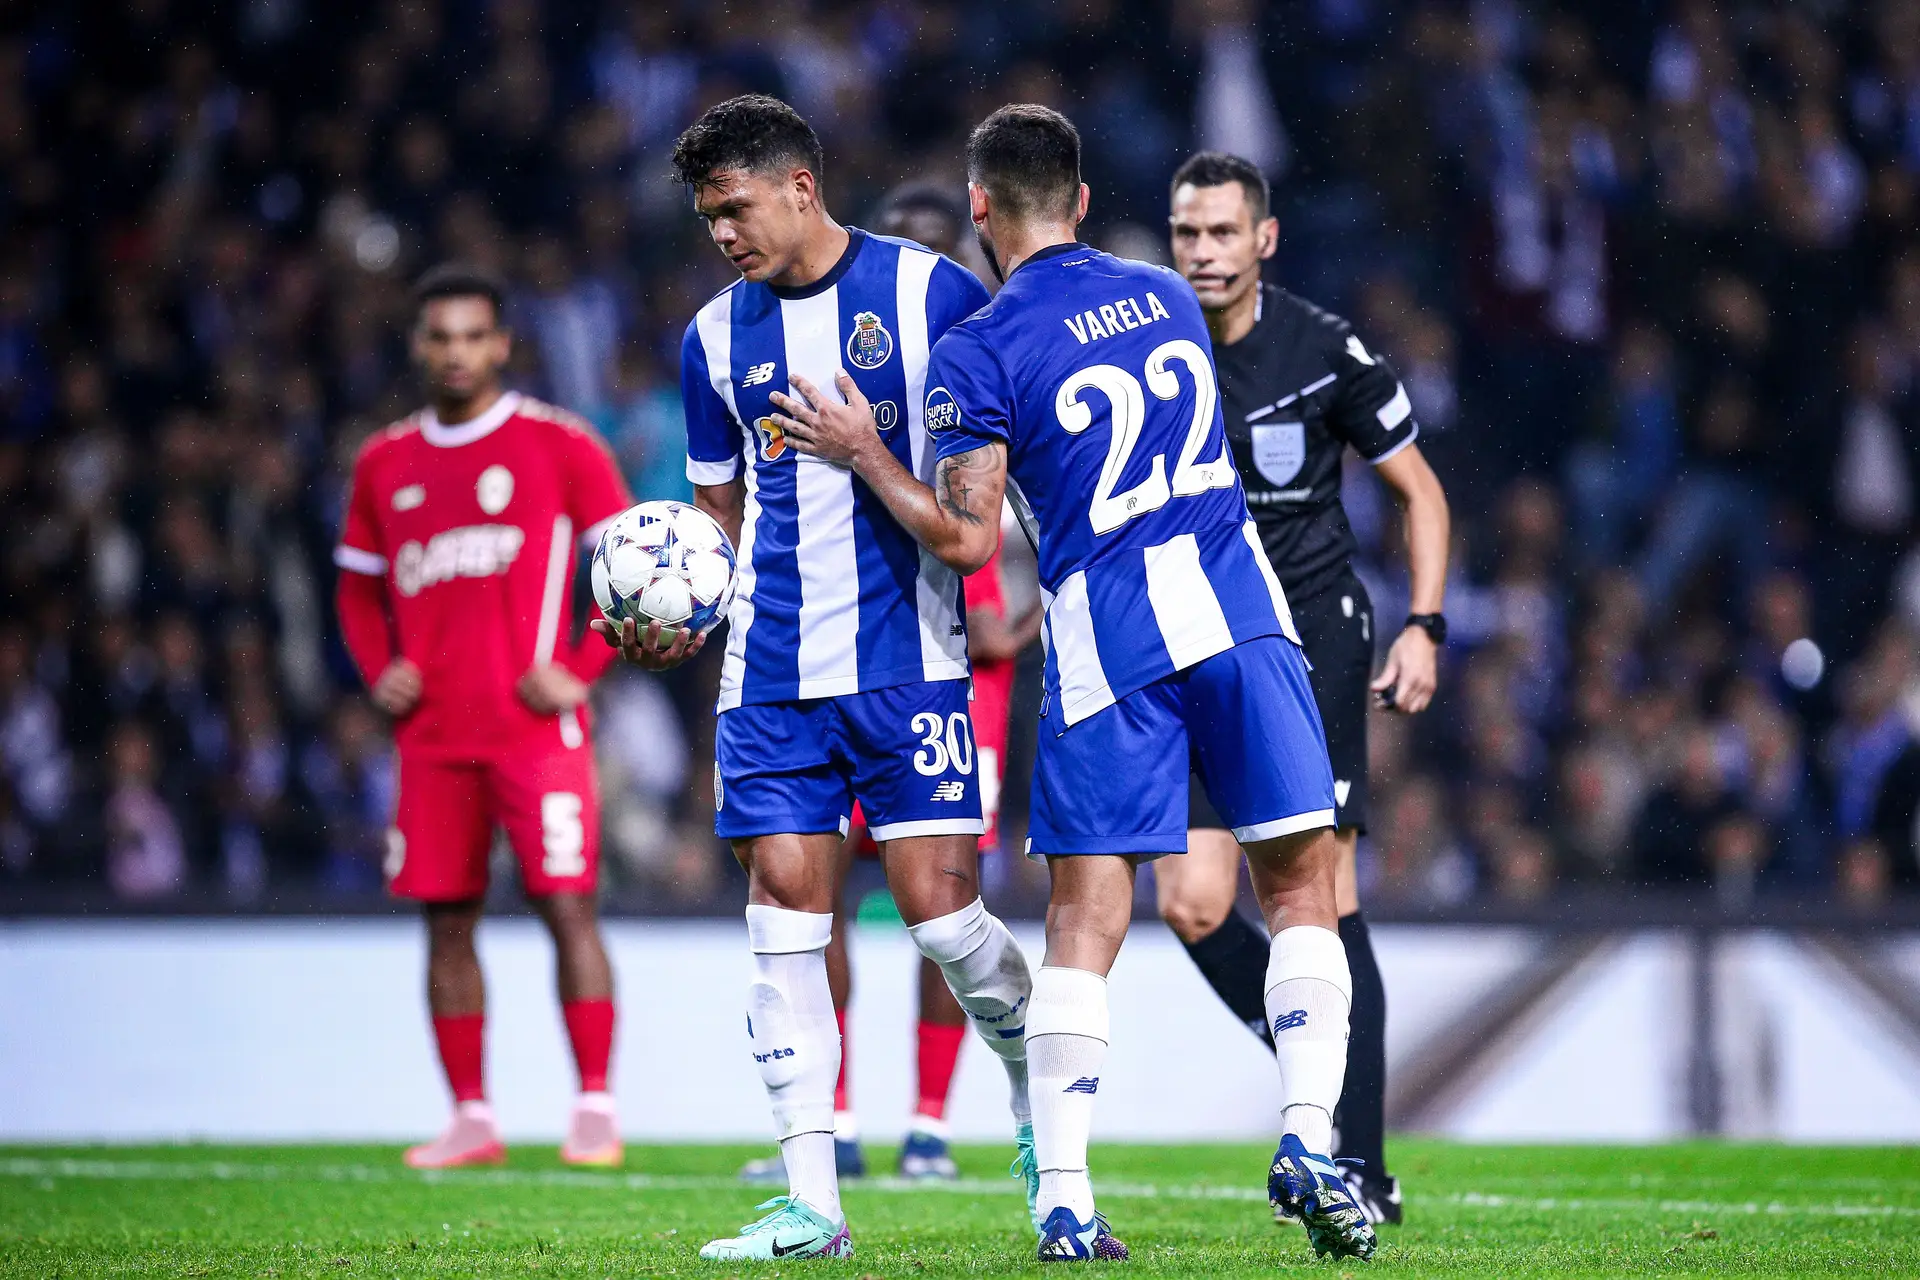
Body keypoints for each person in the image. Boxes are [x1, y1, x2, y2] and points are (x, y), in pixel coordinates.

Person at [767, 105, 1377, 1263]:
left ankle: (1063, 1197)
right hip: (1242, 608)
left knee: (1085, 921)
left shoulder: (980, 347)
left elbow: (963, 536)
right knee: (1302, 886)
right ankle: (1307, 1133)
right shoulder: (1168, 296)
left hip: (1109, 634)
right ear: (1085, 200)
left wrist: (866, 452)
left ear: (980, 210)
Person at [598, 95, 1037, 1261]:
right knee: (783, 920)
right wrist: (681, 607)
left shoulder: (933, 296)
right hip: (772, 673)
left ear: (799, 184)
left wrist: (867, 453)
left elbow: (975, 512)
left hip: (913, 661)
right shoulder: (709, 340)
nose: (723, 235)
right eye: (705, 219)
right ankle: (813, 1200)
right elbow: (715, 520)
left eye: (734, 208)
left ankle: (1033, 1081)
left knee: (945, 923)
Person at [1161, 151, 1453, 1225]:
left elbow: (1421, 493)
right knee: (1191, 902)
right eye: (1188, 233)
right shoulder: (1155, 348)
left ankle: (1360, 1167)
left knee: (1322, 905)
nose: (1203, 253)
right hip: (1198, 643)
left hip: (1312, 639)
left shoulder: (1325, 348)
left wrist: (1424, 623)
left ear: (1263, 240)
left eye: (1223, 233)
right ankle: (1314, 1063)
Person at [736, 181, 1040, 1186]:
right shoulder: (810, 358)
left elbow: (1035, 515)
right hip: (810, 670)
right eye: (894, 243)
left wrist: (1025, 609)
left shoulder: (974, 351)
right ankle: (836, 1134)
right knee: (806, 903)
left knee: (941, 917)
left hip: (950, 679)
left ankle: (934, 1120)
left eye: (927, 247)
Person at [333, 265, 633, 1169]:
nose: (456, 352)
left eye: (473, 336)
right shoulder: (384, 460)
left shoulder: (560, 444)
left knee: (567, 908)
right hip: (431, 742)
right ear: (419, 346)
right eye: (440, 337)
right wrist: (379, 669)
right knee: (445, 922)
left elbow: (637, 562)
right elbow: (356, 588)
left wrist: (582, 668)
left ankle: (594, 1108)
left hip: (535, 734)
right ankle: (471, 1117)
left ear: (502, 344)